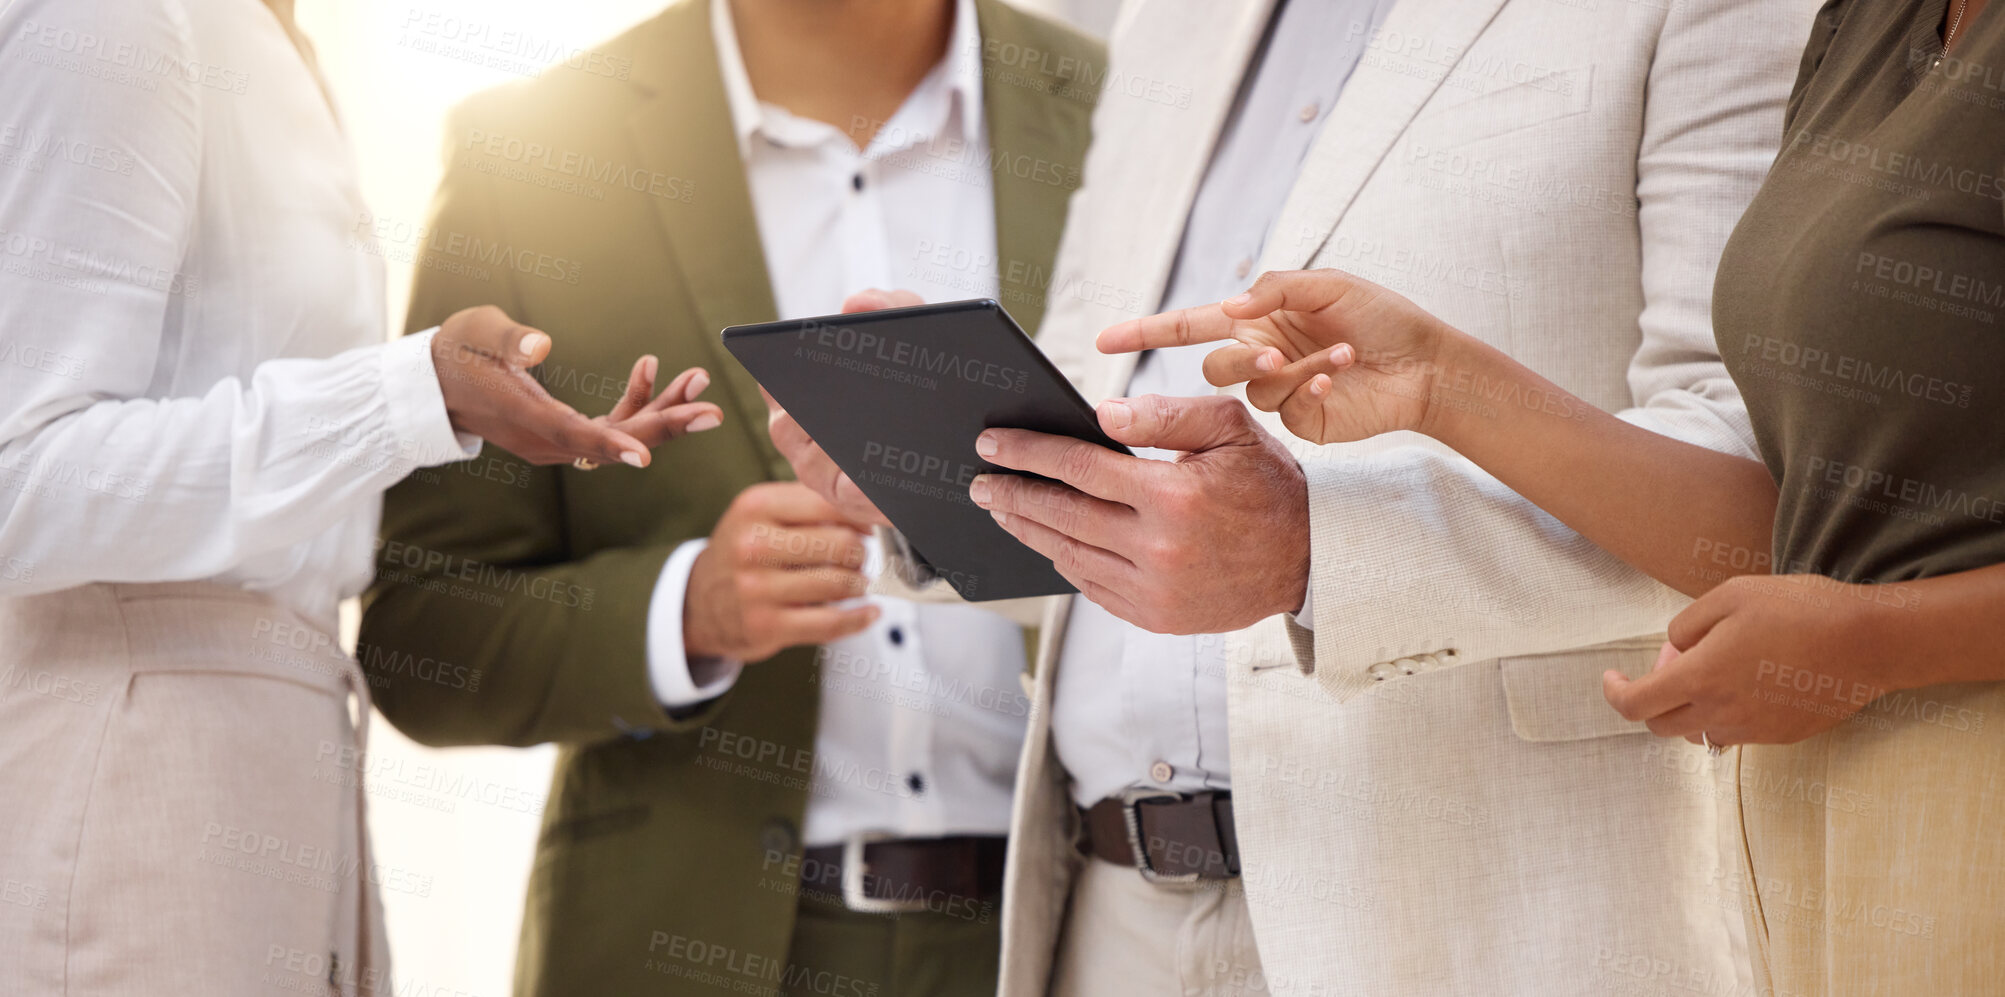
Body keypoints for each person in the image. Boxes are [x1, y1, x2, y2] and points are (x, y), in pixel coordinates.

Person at [773, 0, 1823, 992]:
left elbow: (1754, 480)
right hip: (1104, 913)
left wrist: (1318, 552)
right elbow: (1103, 427)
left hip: (1469, 918)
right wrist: (932, 472)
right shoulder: (1166, 22)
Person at [1101, 0, 2005, 991]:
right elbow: (1781, 506)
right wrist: (1442, 382)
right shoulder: (1867, 20)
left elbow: (1762, 475)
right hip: (1816, 834)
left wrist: (1876, 637)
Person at [355, 0, 1100, 993]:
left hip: (1072, 938)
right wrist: (682, 610)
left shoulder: (1120, 108)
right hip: (693, 943)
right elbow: (422, 639)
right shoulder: (531, 153)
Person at [0, 0, 721, 992]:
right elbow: (20, 481)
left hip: (284, 768)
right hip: (141, 778)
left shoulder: (270, 39)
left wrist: (477, 408)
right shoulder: (123, 17)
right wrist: (414, 387)